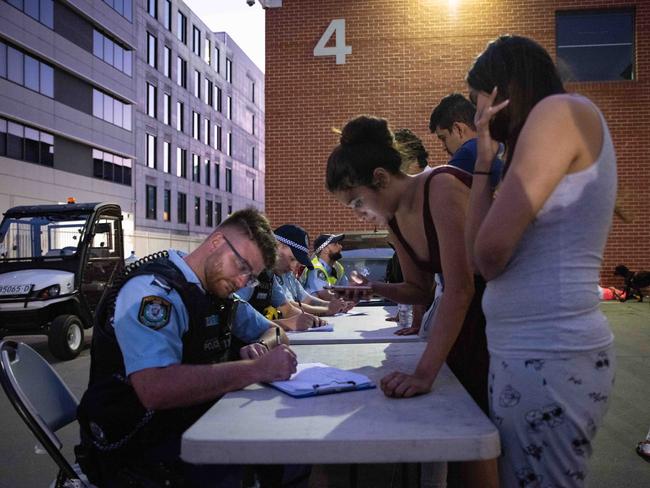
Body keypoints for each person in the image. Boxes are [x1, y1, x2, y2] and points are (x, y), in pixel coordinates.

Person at [465, 35, 617, 487]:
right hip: (533, 353)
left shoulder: (558, 113)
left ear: (501, 92)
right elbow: (478, 258)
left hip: (549, 352)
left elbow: (489, 255)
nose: (479, 118)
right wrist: (485, 159)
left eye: (481, 104)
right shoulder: (547, 129)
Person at [326, 115, 496, 487]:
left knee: (483, 444)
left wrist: (423, 374)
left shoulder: (442, 186)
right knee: (459, 441)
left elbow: (461, 287)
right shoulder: (395, 219)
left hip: (499, 322)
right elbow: (419, 290)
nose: (359, 214)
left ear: (381, 178)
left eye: (357, 202)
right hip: (464, 323)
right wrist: (373, 288)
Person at [76, 208, 298, 488]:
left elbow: (275, 331)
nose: (243, 282)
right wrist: (253, 370)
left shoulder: (216, 293)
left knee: (288, 455)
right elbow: (154, 388)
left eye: (251, 276)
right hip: (138, 451)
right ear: (216, 242)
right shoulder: (153, 293)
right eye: (241, 265)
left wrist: (261, 348)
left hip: (194, 430)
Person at [272, 225, 353, 317]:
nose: (293, 267)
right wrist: (327, 309)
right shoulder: (268, 273)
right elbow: (288, 306)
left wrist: (333, 305)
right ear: (278, 245)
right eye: (292, 259)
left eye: (298, 262)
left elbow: (306, 299)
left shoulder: (287, 274)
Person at [429, 93, 503, 187]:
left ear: (458, 129)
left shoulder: (465, 154)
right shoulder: (499, 145)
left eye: (443, 138)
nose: (443, 147)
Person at [303, 233, 348, 299]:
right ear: (325, 249)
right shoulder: (315, 268)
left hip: (330, 307)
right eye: (335, 244)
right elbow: (324, 295)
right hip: (315, 308)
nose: (340, 246)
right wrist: (344, 297)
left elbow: (347, 289)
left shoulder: (338, 267)